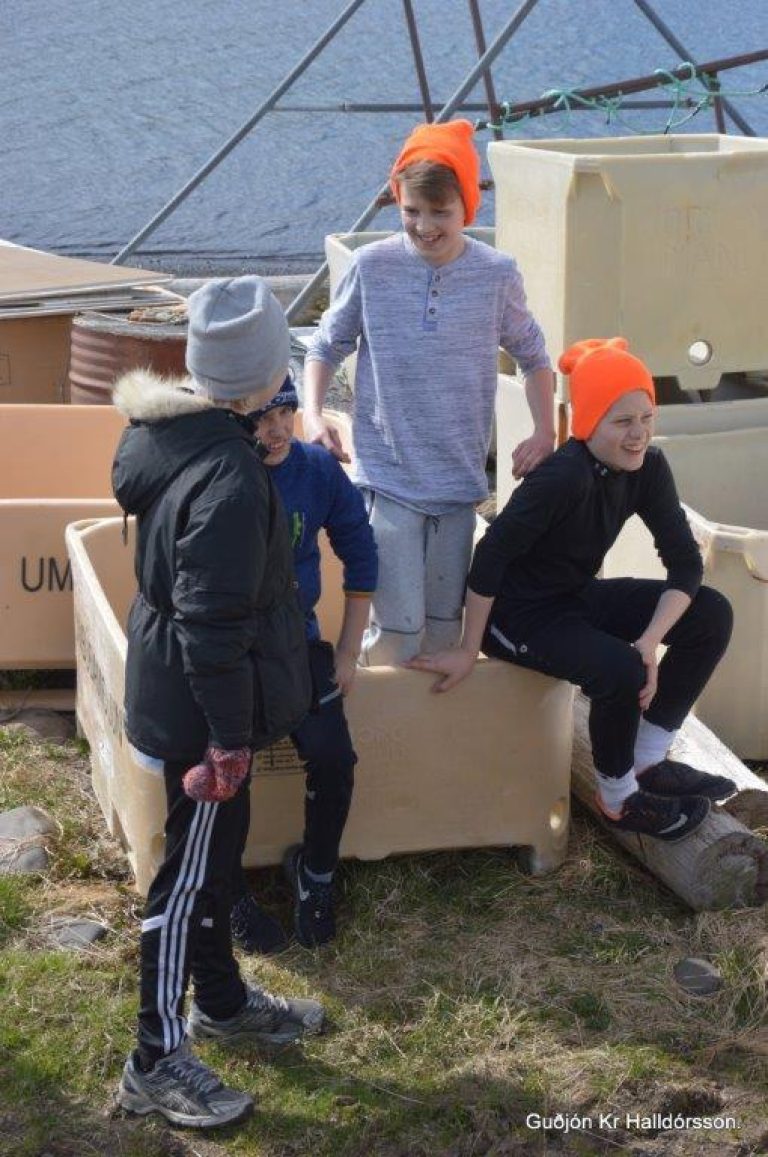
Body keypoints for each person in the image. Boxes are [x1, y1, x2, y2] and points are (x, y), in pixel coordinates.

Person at [112, 276, 325, 1131]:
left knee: (215, 860)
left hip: (176, 682)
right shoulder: (231, 479)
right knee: (186, 877)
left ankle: (223, 1003)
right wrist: (230, 743)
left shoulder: (166, 432)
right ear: (265, 375)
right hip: (203, 713)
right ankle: (154, 1056)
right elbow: (211, 625)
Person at [406, 337, 735, 841]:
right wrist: (469, 648)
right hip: (517, 617)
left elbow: (685, 563)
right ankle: (618, 799)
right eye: (621, 421)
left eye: (646, 417)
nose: (638, 434)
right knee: (620, 670)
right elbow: (490, 556)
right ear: (589, 423)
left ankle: (647, 761)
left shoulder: (648, 468)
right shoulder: (563, 477)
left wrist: (649, 642)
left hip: (574, 598)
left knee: (710, 614)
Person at [303, 119, 555, 665]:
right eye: (412, 210)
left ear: (468, 206)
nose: (425, 226)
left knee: (444, 636)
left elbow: (535, 357)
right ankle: (366, 712)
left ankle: (420, 721)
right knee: (397, 635)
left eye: (440, 212)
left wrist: (545, 431)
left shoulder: (496, 274)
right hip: (388, 480)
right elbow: (324, 346)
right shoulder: (371, 266)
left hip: (460, 487)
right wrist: (314, 414)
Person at [230, 375, 377, 951]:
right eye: (261, 419)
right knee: (227, 762)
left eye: (285, 413)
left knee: (334, 755)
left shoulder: (315, 468)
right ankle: (226, 888)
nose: (277, 430)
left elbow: (359, 547)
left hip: (296, 639)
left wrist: (348, 650)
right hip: (232, 647)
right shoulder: (224, 472)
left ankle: (315, 874)